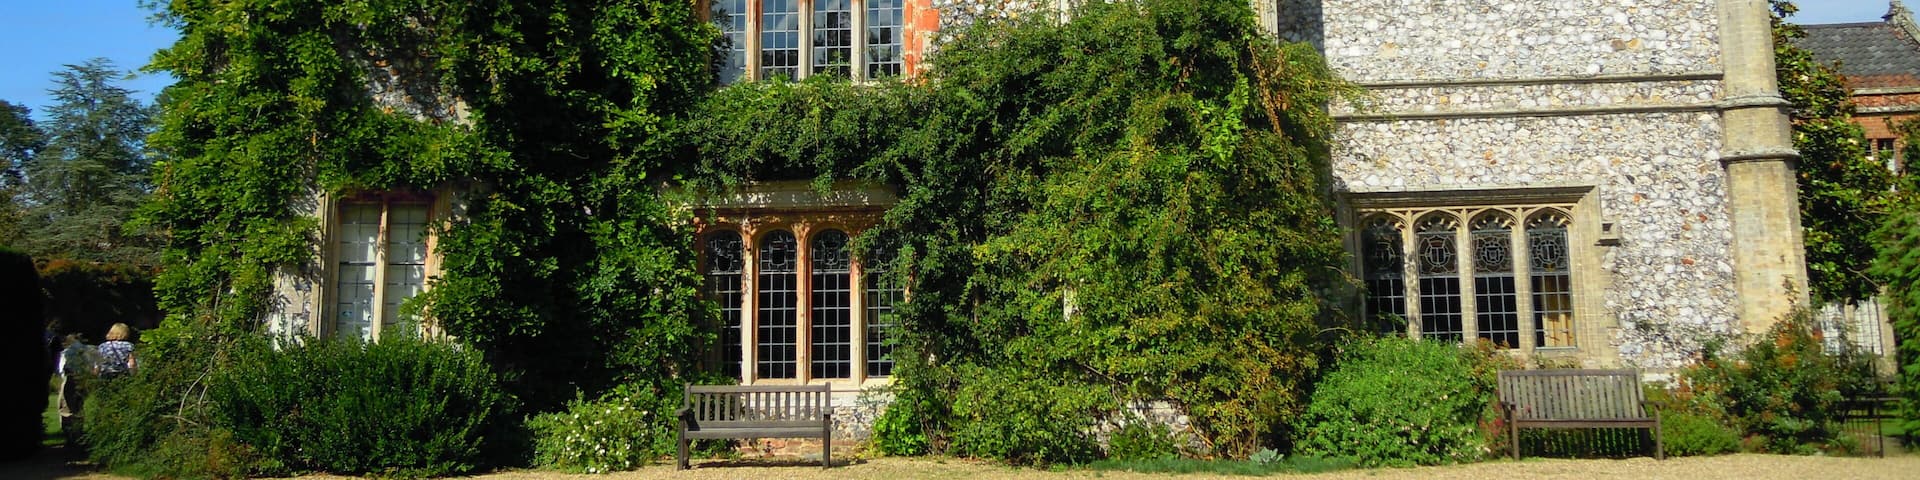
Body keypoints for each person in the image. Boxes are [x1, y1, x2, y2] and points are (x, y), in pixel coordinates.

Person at [56, 334, 97, 438]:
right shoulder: (88, 352)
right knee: (79, 407)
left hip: (70, 379)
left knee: (65, 408)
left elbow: (62, 370)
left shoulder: (66, 352)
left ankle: (69, 433)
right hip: (83, 379)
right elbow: (93, 366)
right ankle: (78, 432)